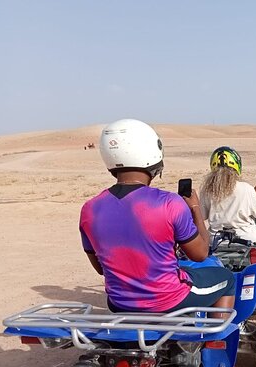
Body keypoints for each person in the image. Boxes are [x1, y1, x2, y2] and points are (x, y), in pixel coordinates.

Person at [79, 119, 235, 315]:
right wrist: (194, 207)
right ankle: (215, 341)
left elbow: (101, 268)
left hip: (119, 303)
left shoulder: (89, 209)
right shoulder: (169, 203)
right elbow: (201, 254)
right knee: (227, 278)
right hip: (169, 299)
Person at [199, 146, 256, 248]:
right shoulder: (246, 188)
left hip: (216, 238)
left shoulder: (207, 190)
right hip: (246, 236)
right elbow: (255, 212)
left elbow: (202, 215)